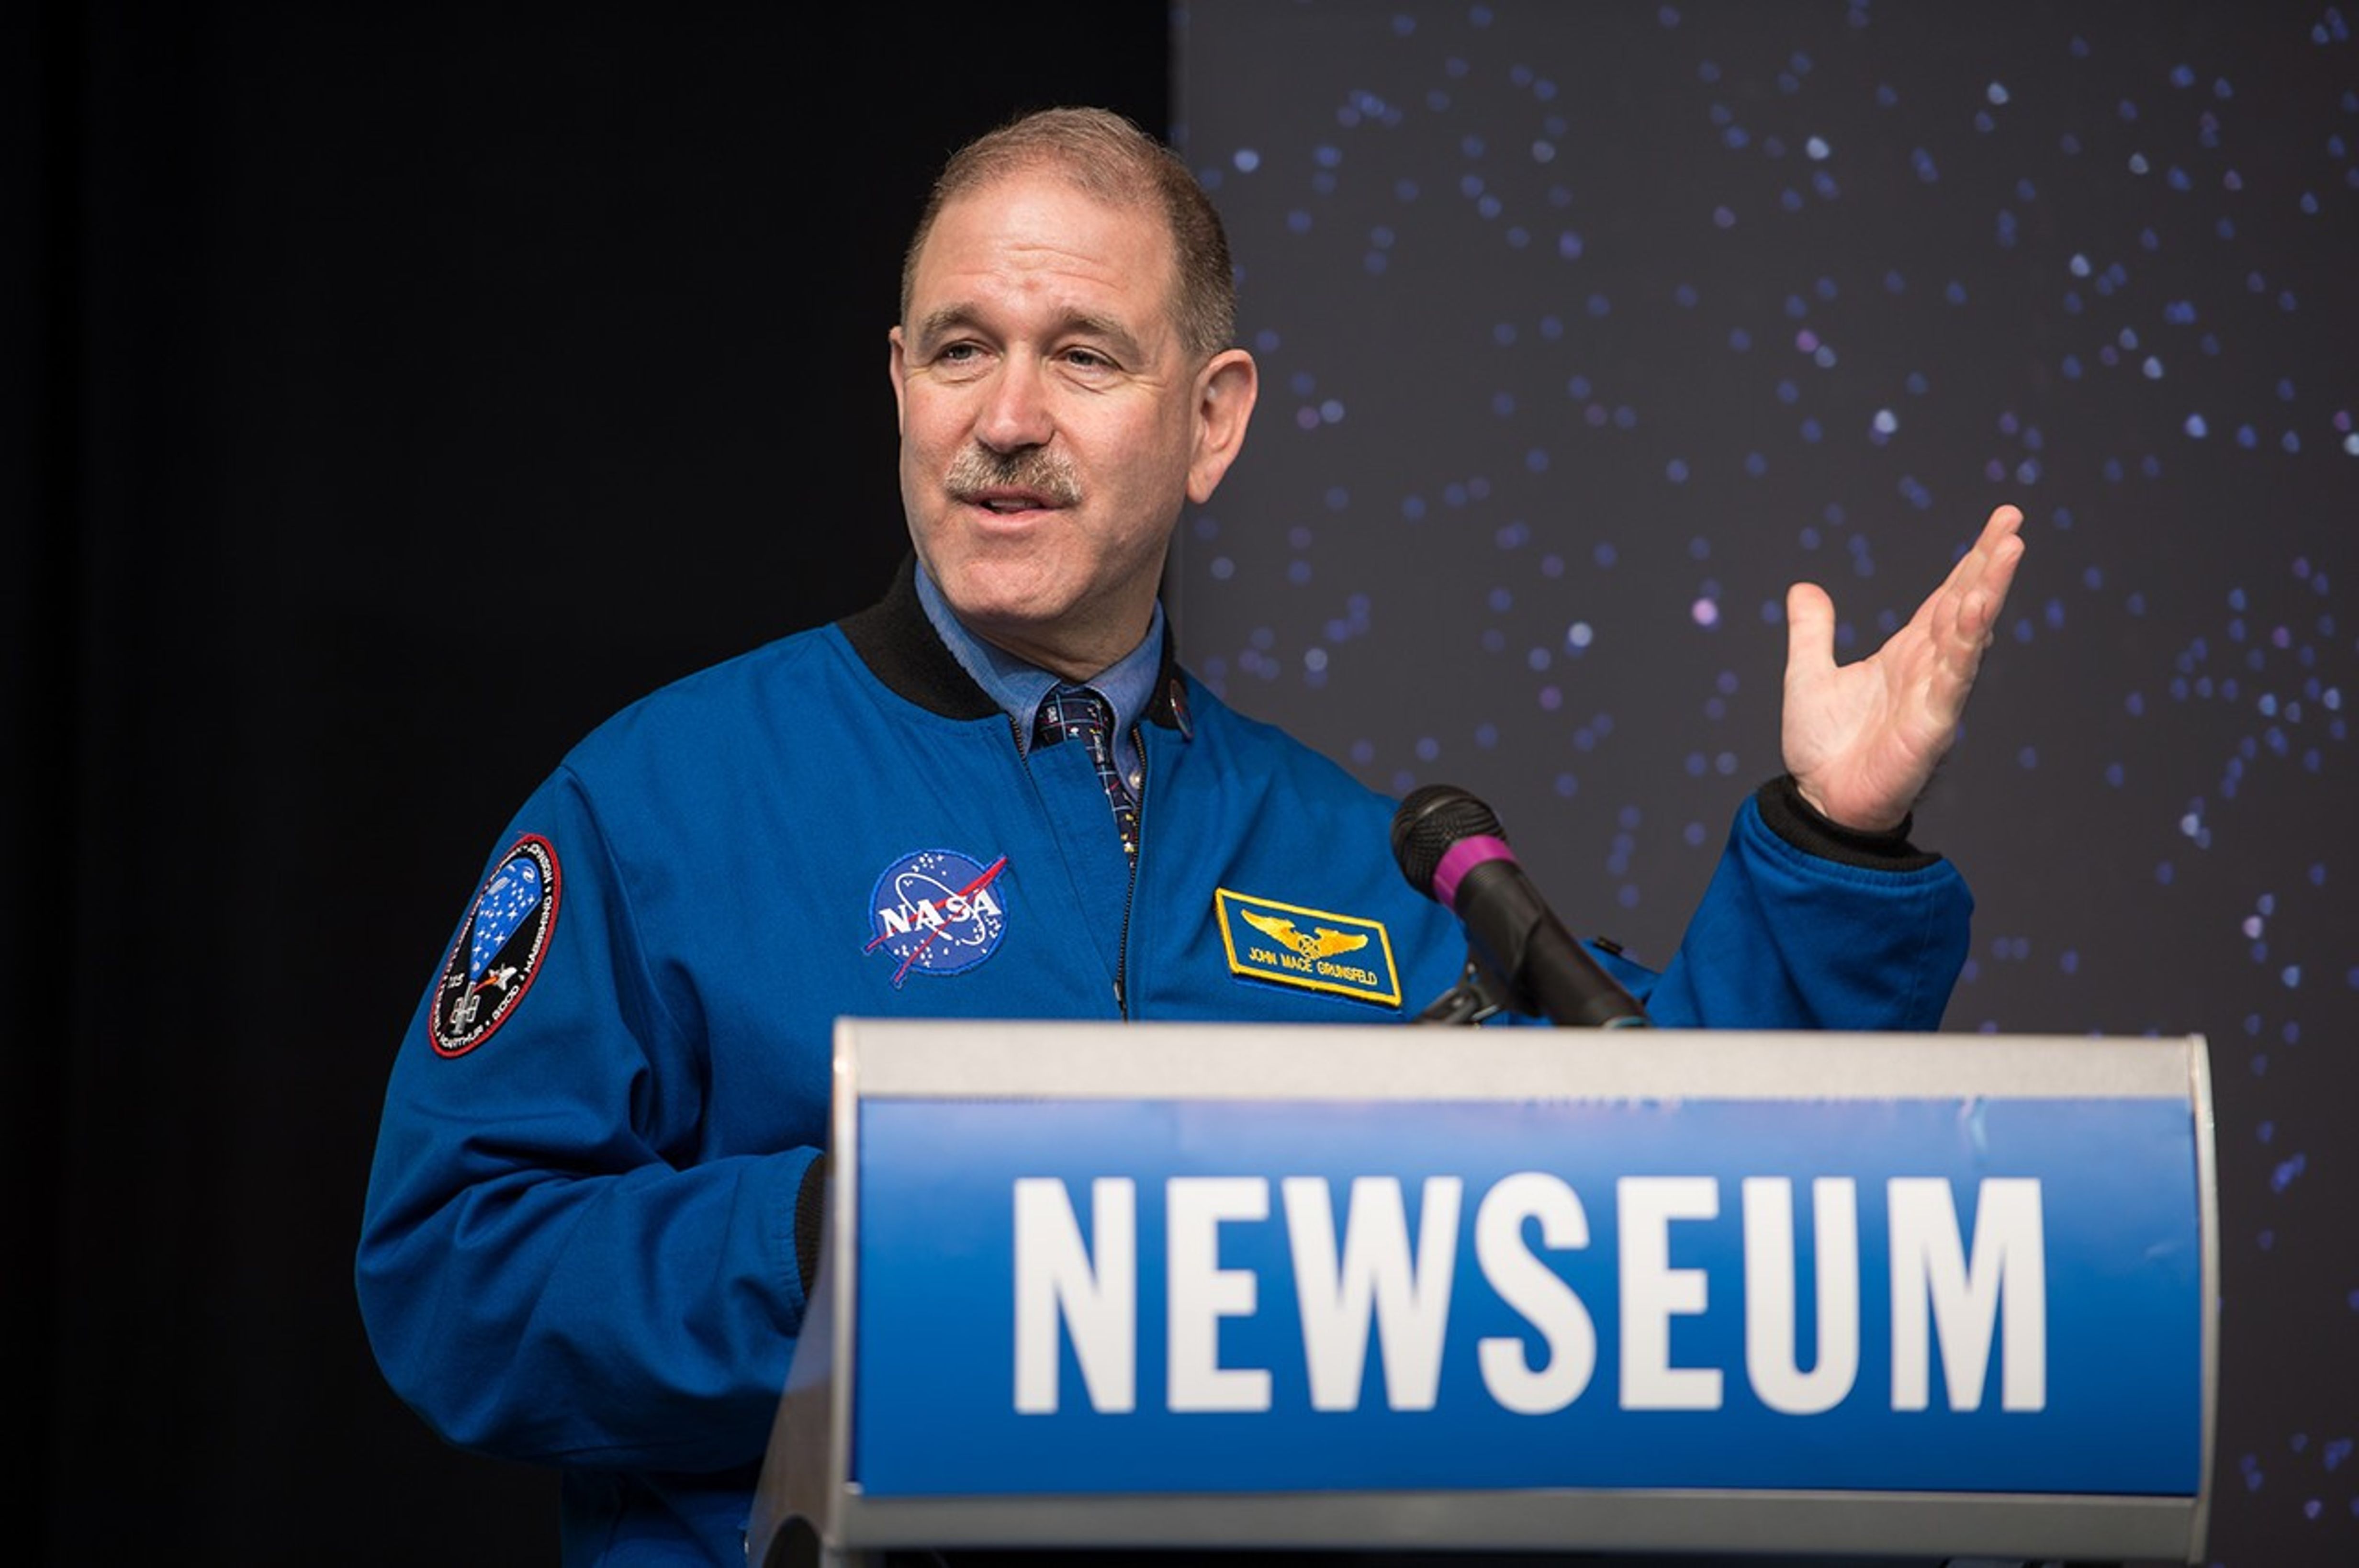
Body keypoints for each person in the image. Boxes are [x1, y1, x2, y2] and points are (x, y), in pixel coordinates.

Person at [357, 107, 2025, 1567]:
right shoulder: (665, 799)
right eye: (958, 349)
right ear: (898, 386)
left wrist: (1832, 836)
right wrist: (837, 1240)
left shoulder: (1352, 849)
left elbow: (1679, 1188)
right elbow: (453, 1268)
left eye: (1084, 354)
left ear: (1212, 422)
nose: (1007, 415)